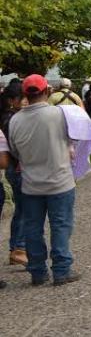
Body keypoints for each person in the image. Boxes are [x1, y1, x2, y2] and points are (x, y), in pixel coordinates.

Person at [7, 75, 80, 286]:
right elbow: (71, 138)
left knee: (32, 228)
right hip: (60, 180)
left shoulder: (16, 120)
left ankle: (37, 272)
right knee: (61, 225)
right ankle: (61, 270)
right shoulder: (58, 114)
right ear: (46, 91)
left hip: (31, 183)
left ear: (25, 95)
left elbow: (15, 151)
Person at [1, 82, 27, 266]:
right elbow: (16, 146)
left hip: (15, 166)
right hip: (17, 167)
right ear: (11, 100)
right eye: (21, 98)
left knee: (23, 207)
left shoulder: (11, 116)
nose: (25, 101)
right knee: (24, 208)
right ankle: (18, 247)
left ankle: (17, 247)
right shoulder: (10, 119)